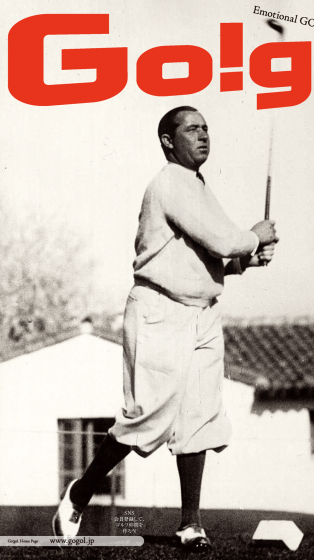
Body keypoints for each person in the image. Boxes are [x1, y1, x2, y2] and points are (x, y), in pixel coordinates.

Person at [52, 106, 278, 550]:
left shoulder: (197, 185)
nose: (203, 135)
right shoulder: (170, 182)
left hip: (202, 312)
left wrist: (247, 260)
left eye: (206, 128)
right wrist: (254, 237)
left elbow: (209, 258)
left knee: (199, 415)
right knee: (146, 416)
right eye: (192, 129)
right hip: (159, 310)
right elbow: (222, 239)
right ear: (168, 142)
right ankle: (80, 493)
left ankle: (190, 524)